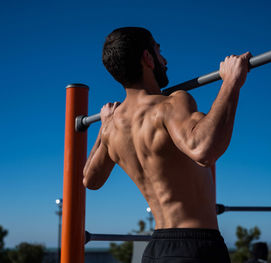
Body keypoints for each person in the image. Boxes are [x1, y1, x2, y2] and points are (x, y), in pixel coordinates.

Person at [83, 27, 251, 263]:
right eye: (159, 52)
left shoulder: (111, 128)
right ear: (147, 58)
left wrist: (103, 127)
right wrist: (232, 82)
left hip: (156, 250)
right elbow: (203, 150)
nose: (165, 60)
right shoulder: (170, 105)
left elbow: (90, 180)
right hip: (197, 249)